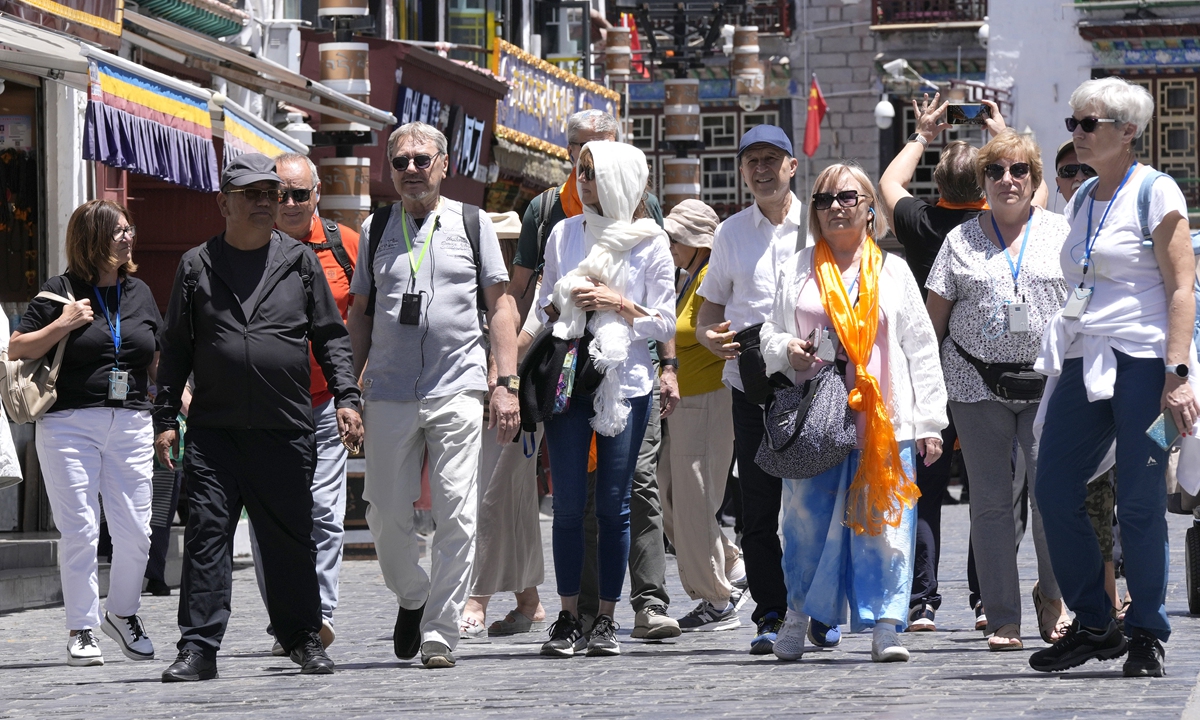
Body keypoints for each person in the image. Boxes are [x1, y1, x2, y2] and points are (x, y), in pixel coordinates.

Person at [154, 153, 364, 681]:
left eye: (272, 194)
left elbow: (330, 337)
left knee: (291, 539)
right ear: (224, 202)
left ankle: (302, 639)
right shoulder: (196, 265)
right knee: (207, 540)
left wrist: (346, 397)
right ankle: (198, 648)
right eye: (252, 194)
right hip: (214, 433)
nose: (267, 203)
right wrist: (163, 418)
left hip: (284, 428)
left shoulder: (299, 261)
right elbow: (176, 347)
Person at [1031, 76, 1198, 678]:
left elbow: (1183, 286)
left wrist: (1176, 375)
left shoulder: (1155, 191)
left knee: (1141, 498)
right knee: (1052, 485)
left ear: (1127, 132)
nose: (1075, 134)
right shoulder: (1081, 199)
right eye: (1072, 123)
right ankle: (1097, 622)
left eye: (1087, 124)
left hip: (1148, 365)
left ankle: (1147, 630)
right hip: (1086, 358)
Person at [345, 122, 521, 669]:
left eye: (423, 160)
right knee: (383, 513)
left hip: (457, 387)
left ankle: (441, 629)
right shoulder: (376, 228)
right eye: (401, 163)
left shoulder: (472, 223)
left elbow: (500, 307)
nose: (412, 171)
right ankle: (414, 595)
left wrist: (504, 382)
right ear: (390, 171)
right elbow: (359, 315)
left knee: (457, 513)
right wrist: (351, 391)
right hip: (390, 392)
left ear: (444, 164)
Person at [759, 162, 947, 663]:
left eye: (847, 198)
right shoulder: (797, 267)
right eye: (823, 200)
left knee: (885, 527)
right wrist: (786, 351)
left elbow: (922, 348)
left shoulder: (893, 270)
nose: (835, 207)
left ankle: (887, 625)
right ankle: (797, 617)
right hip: (816, 422)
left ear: (869, 209)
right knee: (805, 525)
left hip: (885, 421)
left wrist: (930, 422)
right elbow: (768, 334)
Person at [510, 109, 680, 640]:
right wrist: (561, 309)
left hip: (626, 384)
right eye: (580, 170)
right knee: (565, 506)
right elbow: (543, 305)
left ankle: (606, 618)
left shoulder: (650, 239)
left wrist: (616, 302)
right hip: (567, 380)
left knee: (615, 505)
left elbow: (663, 320)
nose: (583, 181)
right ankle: (567, 616)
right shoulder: (562, 233)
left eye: (592, 171)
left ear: (619, 178)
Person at [925, 130, 1070, 650]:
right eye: (996, 172)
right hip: (974, 384)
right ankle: (1003, 616)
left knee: (1052, 497)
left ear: (1034, 179)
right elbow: (932, 324)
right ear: (982, 181)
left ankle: (1054, 600)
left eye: (1019, 171)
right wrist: (926, 398)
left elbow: (1083, 305)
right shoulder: (959, 240)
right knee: (988, 502)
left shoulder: (1061, 232)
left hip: (1047, 384)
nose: (1008, 180)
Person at [9, 200, 161, 667]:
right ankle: (82, 627)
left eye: (129, 228)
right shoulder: (59, 291)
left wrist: (176, 402)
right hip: (69, 423)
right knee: (80, 528)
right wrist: (62, 323)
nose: (128, 236)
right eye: (119, 231)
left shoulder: (140, 293)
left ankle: (122, 613)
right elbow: (16, 347)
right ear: (93, 237)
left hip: (132, 420)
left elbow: (155, 353)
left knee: (136, 531)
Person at [879, 95, 997, 633]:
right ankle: (983, 595)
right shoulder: (1001, 222)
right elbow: (1038, 185)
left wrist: (922, 134)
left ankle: (922, 598)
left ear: (939, 186)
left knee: (926, 484)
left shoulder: (922, 222)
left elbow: (887, 185)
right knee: (986, 486)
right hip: (984, 369)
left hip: (927, 368)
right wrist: (999, 131)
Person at [243, 151, 359, 655]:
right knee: (273, 517)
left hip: (326, 402)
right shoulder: (246, 246)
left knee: (323, 512)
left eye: (298, 194)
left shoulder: (346, 246)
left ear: (317, 195)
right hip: (265, 406)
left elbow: (364, 321)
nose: (288, 203)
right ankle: (286, 621)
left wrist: (354, 392)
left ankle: (318, 616)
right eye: (277, 194)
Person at [695, 124, 805, 653]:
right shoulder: (730, 233)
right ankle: (770, 612)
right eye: (751, 162)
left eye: (770, 159)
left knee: (814, 506)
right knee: (759, 508)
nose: (761, 170)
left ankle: (817, 610)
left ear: (792, 166)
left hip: (814, 384)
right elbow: (710, 310)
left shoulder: (820, 223)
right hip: (751, 386)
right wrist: (707, 337)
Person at [657, 199, 746, 632]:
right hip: (681, 403)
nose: (670, 244)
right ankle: (731, 563)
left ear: (697, 242)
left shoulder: (713, 276)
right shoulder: (685, 277)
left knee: (693, 502)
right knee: (668, 498)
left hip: (709, 398)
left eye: (676, 238)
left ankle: (716, 599)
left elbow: (698, 331)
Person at [461, 211, 548, 639]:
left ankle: (477, 597)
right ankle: (528, 601)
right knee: (508, 507)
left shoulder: (528, 295)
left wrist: (500, 380)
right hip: (471, 413)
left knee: (494, 502)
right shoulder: (474, 291)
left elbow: (524, 343)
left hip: (518, 411)